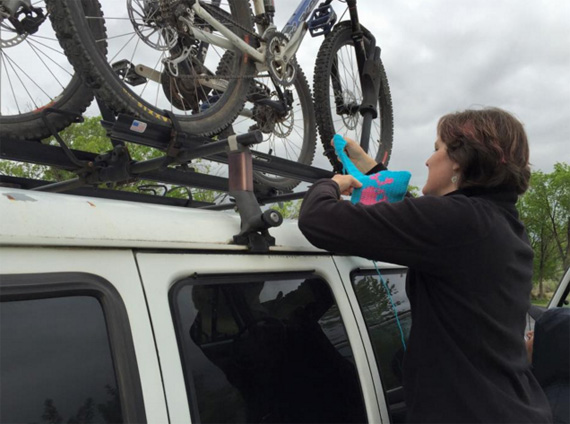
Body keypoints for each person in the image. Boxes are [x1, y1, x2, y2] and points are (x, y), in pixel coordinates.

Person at [298, 107, 553, 423]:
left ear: (460, 160)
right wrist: (371, 167)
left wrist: (332, 184)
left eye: (436, 149)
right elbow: (418, 223)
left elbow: (317, 221)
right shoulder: (498, 223)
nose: (428, 161)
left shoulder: (461, 222)